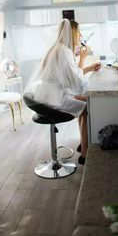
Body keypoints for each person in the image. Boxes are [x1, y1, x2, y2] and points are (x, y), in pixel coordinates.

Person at [25, 18, 101, 164]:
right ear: (71, 32)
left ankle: (82, 143)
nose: (80, 35)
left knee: (83, 101)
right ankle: (85, 153)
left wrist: (91, 68)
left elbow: (70, 78)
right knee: (87, 106)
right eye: (78, 31)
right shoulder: (64, 51)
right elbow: (76, 82)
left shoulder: (56, 48)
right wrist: (83, 58)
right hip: (54, 99)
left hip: (45, 96)